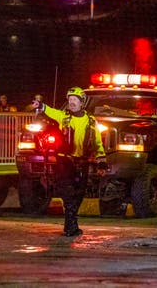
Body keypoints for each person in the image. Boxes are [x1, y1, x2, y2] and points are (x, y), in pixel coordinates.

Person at [32, 87, 106, 237]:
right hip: (64, 161)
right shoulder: (64, 117)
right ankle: (71, 226)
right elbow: (51, 111)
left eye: (74, 100)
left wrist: (101, 162)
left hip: (82, 162)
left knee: (79, 193)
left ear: (82, 102)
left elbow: (98, 143)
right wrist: (41, 106)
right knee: (68, 193)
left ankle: (70, 224)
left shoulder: (91, 121)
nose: (71, 103)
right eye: (70, 100)